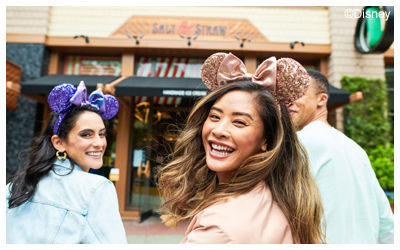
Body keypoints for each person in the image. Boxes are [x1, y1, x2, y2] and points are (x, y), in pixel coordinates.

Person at [157, 52, 326, 244]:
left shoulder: (219, 228)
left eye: (239, 122)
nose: (219, 130)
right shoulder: (282, 200)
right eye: (214, 117)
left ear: (267, 140)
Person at [6, 81, 127, 244]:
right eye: (86, 134)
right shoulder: (96, 189)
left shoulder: (14, 186)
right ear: (59, 143)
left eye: (102, 134)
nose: (99, 143)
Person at [287, 69, 394, 244]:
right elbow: (386, 222)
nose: (287, 101)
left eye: (297, 93)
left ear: (321, 99)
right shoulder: (356, 149)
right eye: (285, 95)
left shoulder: (298, 143)